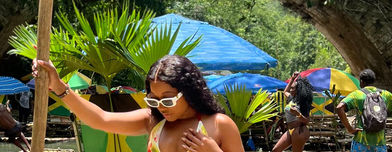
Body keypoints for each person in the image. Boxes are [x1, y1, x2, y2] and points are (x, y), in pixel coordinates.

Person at [34, 54, 244, 152]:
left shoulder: (219, 125)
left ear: (188, 92)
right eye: (153, 99)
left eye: (168, 99)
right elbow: (101, 119)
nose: (160, 106)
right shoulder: (153, 122)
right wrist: (60, 86)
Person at [336, 69, 392, 152]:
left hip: (361, 141)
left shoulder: (357, 94)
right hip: (379, 143)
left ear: (361, 81)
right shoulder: (385, 94)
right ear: (373, 81)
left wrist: (349, 128)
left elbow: (339, 107)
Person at [271, 72, 313, 152]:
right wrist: (292, 79)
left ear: (298, 90)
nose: (290, 90)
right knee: (275, 150)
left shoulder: (303, 102)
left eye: (292, 88)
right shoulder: (291, 98)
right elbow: (285, 91)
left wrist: (297, 114)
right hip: (290, 130)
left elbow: (307, 121)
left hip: (299, 131)